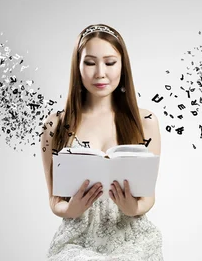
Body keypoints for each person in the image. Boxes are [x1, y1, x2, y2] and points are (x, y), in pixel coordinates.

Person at [40, 24, 163, 260]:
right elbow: (55, 200)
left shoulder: (145, 121)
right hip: (77, 240)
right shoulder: (55, 124)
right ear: (77, 67)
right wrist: (70, 209)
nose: (100, 73)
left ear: (122, 66)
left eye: (109, 62)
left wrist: (132, 208)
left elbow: (148, 197)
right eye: (89, 62)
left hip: (132, 238)